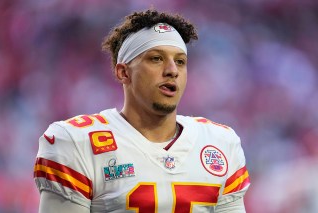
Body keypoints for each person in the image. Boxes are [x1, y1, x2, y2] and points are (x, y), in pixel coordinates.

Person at [34, 9, 250, 213]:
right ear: (123, 73)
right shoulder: (75, 142)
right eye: (156, 58)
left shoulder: (220, 143)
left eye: (180, 61)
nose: (172, 70)